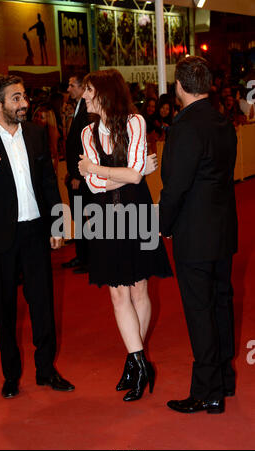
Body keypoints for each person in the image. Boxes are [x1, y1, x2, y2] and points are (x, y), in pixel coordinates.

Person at [0, 75, 74, 399]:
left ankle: (46, 370)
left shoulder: (37, 134)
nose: (23, 104)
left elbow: (50, 182)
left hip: (35, 231)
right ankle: (11, 375)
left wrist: (56, 225)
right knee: (4, 308)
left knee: (43, 305)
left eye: (23, 97)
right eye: (15, 98)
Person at [78, 69, 172, 402]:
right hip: (105, 216)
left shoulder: (135, 122)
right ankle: (140, 361)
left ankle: (134, 361)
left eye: (89, 90)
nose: (84, 96)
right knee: (118, 294)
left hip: (137, 210)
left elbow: (130, 176)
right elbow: (97, 185)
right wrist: (126, 174)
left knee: (139, 287)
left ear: (105, 92)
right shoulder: (87, 133)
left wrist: (99, 170)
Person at [159, 56, 238, 414]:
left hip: (195, 232)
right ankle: (224, 378)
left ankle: (208, 391)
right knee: (220, 302)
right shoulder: (223, 121)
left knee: (200, 310)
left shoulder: (185, 126)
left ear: (180, 86)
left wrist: (163, 224)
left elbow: (175, 187)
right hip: (223, 228)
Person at [62, 73, 91, 274]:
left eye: (72, 85)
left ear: (82, 87)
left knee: (85, 217)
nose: (68, 89)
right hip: (74, 173)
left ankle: (88, 259)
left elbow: (84, 145)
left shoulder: (87, 109)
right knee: (79, 217)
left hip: (81, 177)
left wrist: (77, 175)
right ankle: (82, 255)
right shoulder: (78, 107)